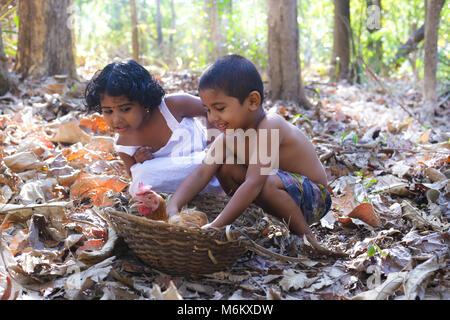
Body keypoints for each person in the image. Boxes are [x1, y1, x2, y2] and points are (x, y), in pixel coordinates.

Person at [166, 54, 333, 253]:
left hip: (314, 198)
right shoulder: (228, 137)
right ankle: (254, 220)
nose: (212, 117)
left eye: (219, 108)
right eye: (208, 110)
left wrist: (214, 226)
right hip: (278, 192)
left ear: (253, 101)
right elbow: (201, 173)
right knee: (225, 166)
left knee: (263, 181)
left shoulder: (270, 125)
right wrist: (173, 206)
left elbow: (255, 183)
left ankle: (307, 238)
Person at [84, 60, 223, 196]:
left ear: (144, 101)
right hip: (181, 179)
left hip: (211, 163)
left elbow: (209, 110)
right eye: (108, 111)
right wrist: (140, 162)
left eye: (125, 109)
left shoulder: (172, 106)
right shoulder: (123, 145)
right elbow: (137, 179)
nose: (116, 119)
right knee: (143, 175)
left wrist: (212, 145)